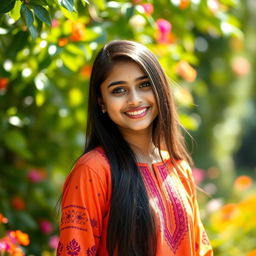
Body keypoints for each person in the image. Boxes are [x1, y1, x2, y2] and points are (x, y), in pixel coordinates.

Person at [57, 40, 213, 256]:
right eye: (119, 90)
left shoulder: (179, 168)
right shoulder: (92, 171)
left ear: (160, 89)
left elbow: (201, 250)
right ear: (101, 101)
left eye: (144, 85)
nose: (135, 99)